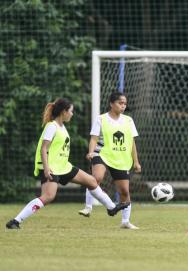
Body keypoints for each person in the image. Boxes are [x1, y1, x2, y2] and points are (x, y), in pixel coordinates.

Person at [5, 98, 128, 229]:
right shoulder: (52, 126)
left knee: (91, 181)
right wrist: (46, 168)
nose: (72, 114)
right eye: (71, 111)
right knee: (48, 197)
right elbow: (43, 148)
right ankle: (15, 221)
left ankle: (112, 208)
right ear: (64, 112)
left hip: (63, 166)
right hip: (52, 167)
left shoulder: (62, 127)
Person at [78, 92, 142, 230]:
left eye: (125, 103)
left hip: (120, 157)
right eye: (120, 103)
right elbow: (94, 138)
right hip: (101, 153)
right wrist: (90, 151)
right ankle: (88, 207)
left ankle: (125, 221)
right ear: (111, 104)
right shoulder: (101, 119)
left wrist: (136, 162)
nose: (123, 106)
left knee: (124, 191)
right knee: (97, 178)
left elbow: (132, 143)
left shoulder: (128, 121)